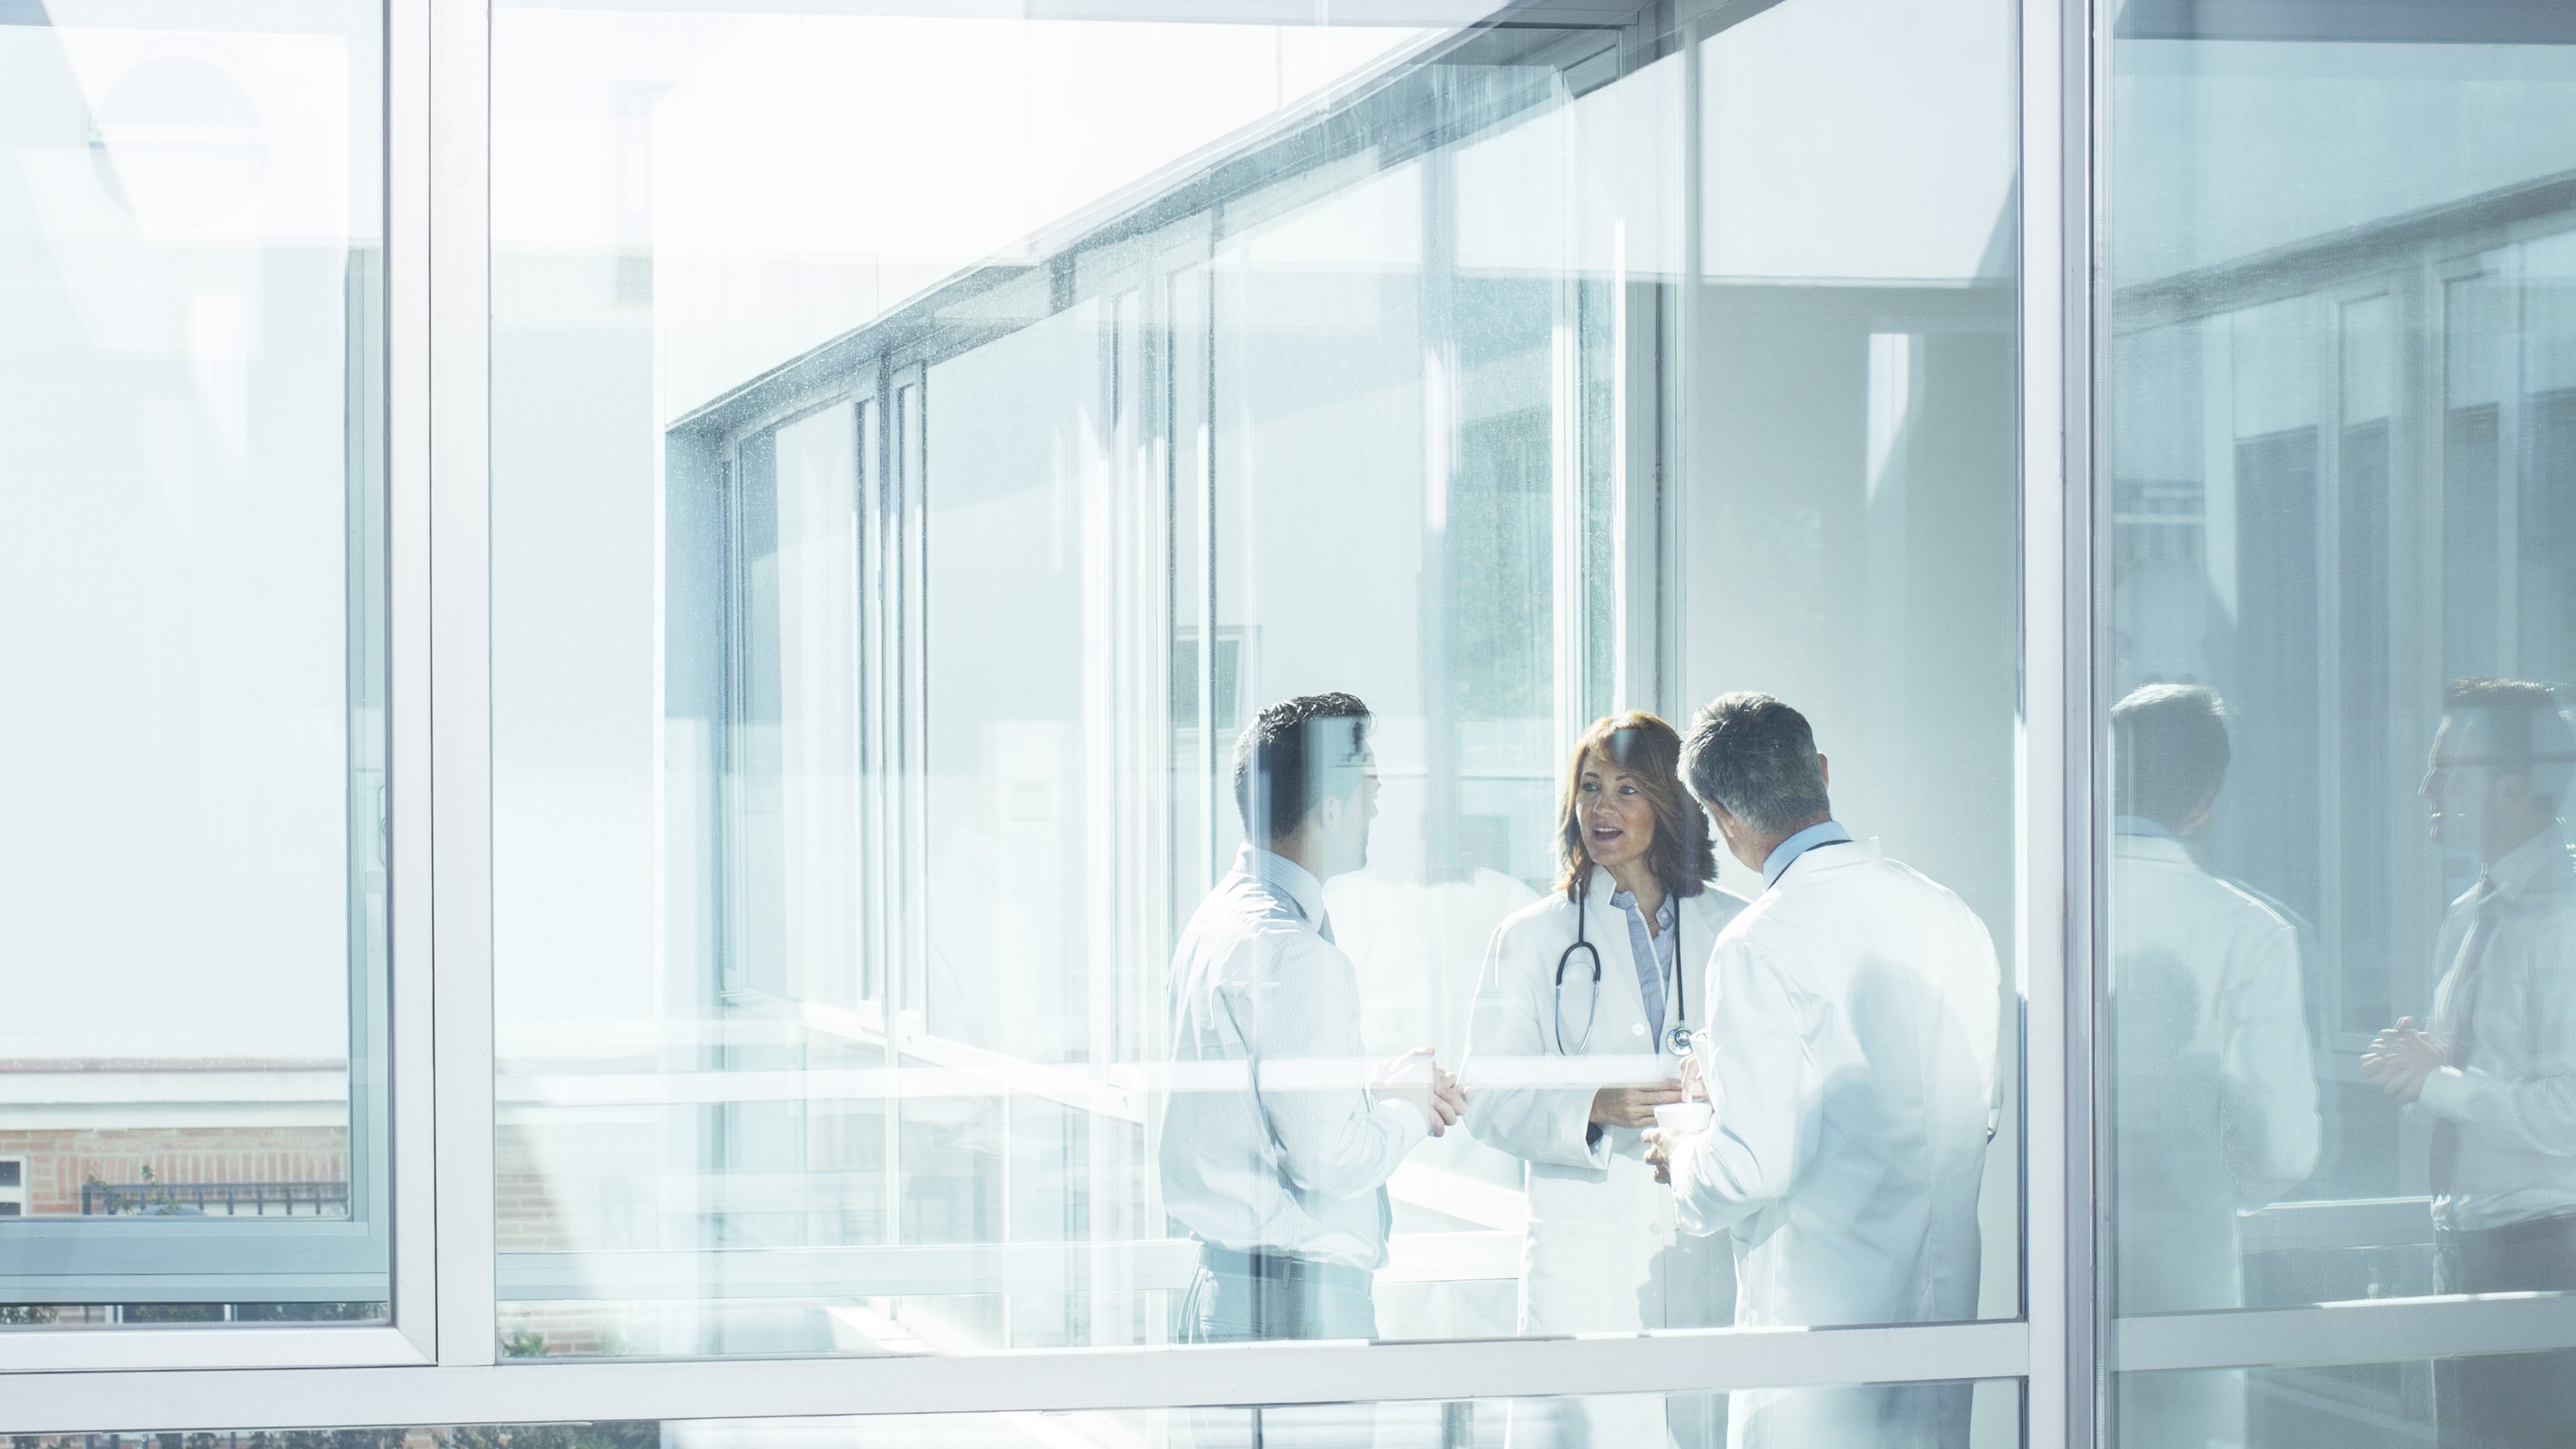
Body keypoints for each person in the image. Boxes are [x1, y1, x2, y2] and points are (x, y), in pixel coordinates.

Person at [1644, 692, 2001, 1449]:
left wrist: (1684, 1152)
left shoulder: (1757, 943)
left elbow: (1751, 1168)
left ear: (1721, 816)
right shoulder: (1950, 914)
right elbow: (1977, 1112)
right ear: (1824, 773)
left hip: (1819, 1346)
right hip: (1943, 1330)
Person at [1463, 712, 1749, 1448]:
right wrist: (1592, 1105)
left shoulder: (1737, 930)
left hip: (1702, 1247)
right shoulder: (1531, 937)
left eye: (1627, 788)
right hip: (1586, 1263)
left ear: (1669, 802)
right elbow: (1487, 1097)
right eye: (1590, 788)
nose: (1602, 808)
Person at [1157, 691, 1467, 1349]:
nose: (1378, 807)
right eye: (1371, 787)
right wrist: (1412, 1108)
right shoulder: (1291, 952)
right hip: (1295, 1304)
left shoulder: (1219, 920)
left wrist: (1368, 1096)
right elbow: (1330, 1163)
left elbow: (1267, 1109)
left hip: (1236, 1291)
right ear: (1330, 808)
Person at [2364, 678, 2576, 1449]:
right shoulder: (2467, 916)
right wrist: (2419, 1074)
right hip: (2469, 1243)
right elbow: (2455, 1082)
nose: (2427, 785)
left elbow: (2570, 1110)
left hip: (2549, 1247)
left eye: (2447, 767)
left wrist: (2442, 1081)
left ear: (2514, 788)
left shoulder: (2568, 916)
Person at [2107, 684, 2320, 1449]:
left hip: (2030, 1289)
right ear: (2206, 800)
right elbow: (2283, 1151)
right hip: (2187, 1294)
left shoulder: (2035, 905)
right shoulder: (2250, 932)